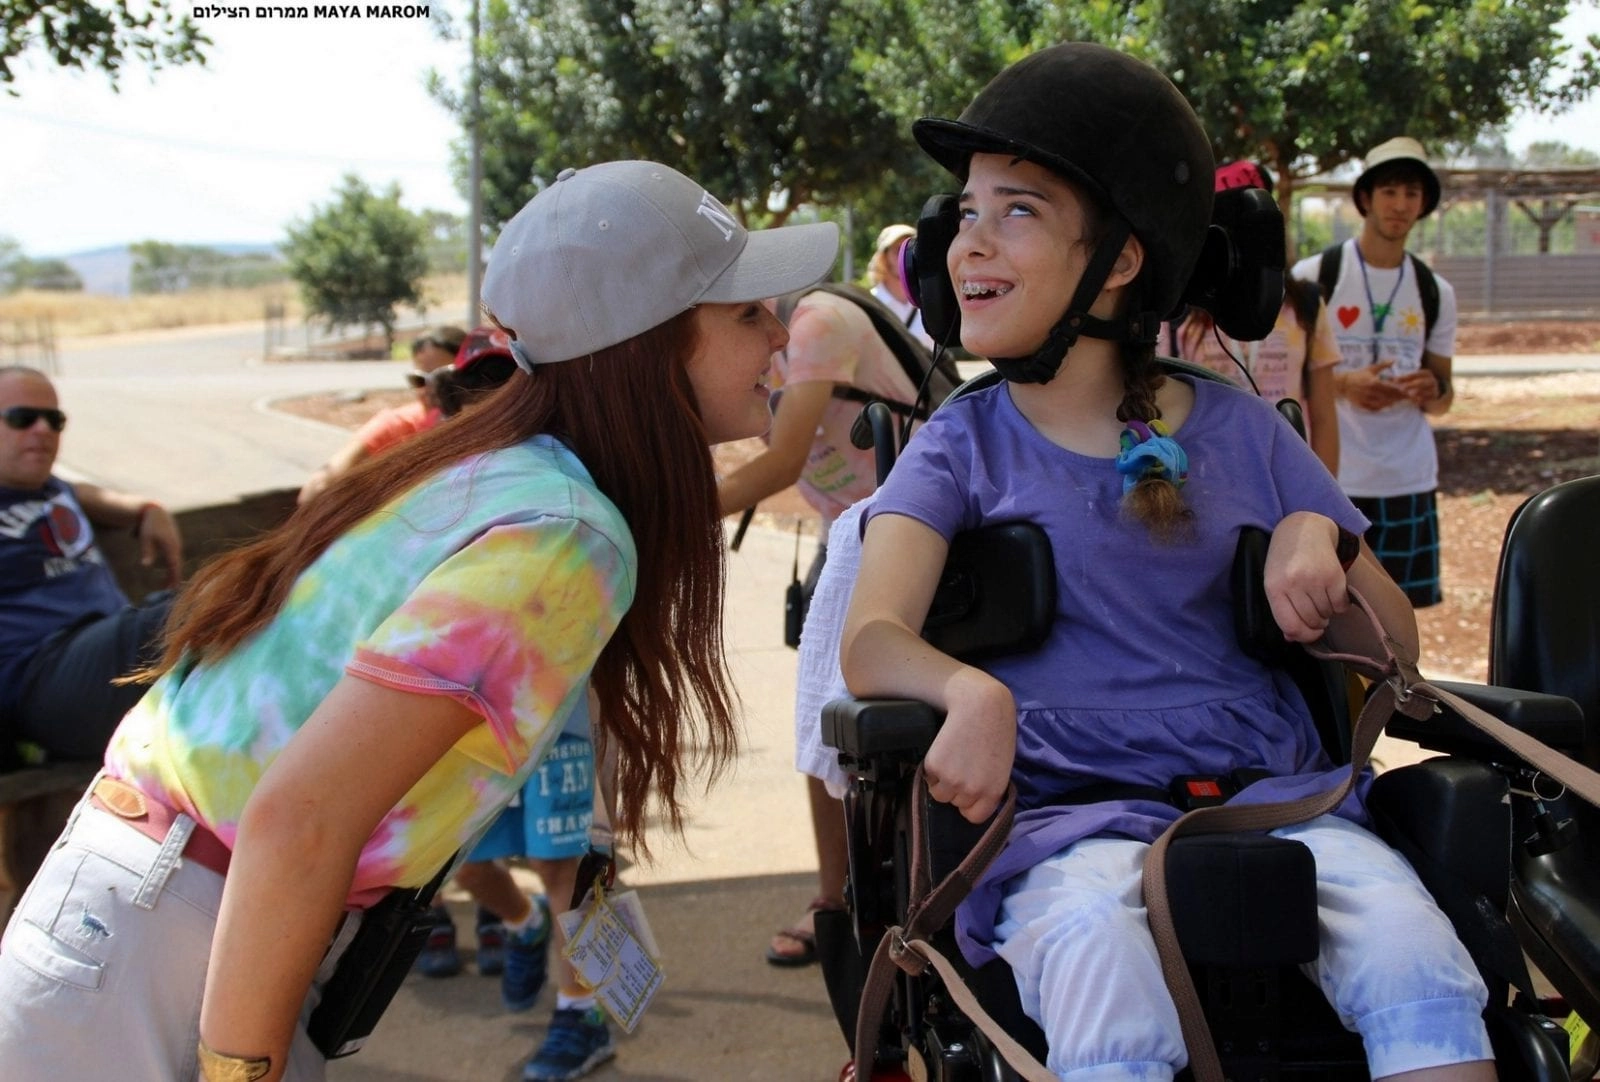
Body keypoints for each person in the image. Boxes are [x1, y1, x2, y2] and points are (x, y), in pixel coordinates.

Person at [0, 159, 839, 1082]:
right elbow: (301, 820)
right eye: (747, 312)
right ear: (648, 339)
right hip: (175, 935)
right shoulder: (566, 534)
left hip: (155, 910)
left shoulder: (502, 468)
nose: (779, 336)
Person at [838, 45, 1493, 1082]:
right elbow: (870, 637)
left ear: (1122, 257)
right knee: (1106, 985)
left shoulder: (1247, 433)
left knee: (1422, 967)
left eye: (1017, 212)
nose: (969, 243)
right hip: (1065, 830)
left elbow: (1395, 648)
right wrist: (959, 687)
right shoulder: (959, 446)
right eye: (964, 213)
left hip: (1281, 804)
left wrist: (1313, 537)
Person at [412, 326, 612, 1082]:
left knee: (573, 865)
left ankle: (581, 1015)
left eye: (512, 384)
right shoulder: (436, 485)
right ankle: (521, 926)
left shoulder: (572, 471)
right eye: (478, 388)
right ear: (453, 400)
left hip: (561, 709)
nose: (496, 403)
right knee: (462, 863)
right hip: (469, 715)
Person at [716, 284, 923, 967]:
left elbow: (778, 459)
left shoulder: (816, 324)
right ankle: (835, 898)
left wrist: (662, 512)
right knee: (823, 725)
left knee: (899, 723)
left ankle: (912, 894)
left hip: (914, 536)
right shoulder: (754, 342)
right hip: (848, 538)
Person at [1290, 137, 1457, 607]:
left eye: (1411, 193)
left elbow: (1445, 395)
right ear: (1365, 198)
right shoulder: (1315, 275)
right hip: (1333, 480)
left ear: (1423, 204)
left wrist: (1431, 387)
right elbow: (1280, 381)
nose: (1400, 205)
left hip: (1407, 478)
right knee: (1332, 618)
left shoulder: (1435, 290)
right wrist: (1344, 385)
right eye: (1389, 191)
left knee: (1401, 617)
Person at [0, 364, 184, 762]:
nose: (42, 430)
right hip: (42, 679)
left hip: (109, 654)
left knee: (214, 607)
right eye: (21, 418)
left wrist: (145, 508)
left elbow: (85, 493)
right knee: (216, 602)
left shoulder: (53, 488)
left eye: (54, 420)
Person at [1171, 161, 1341, 475]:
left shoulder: (1307, 304)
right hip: (1206, 477)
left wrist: (1328, 506)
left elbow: (1323, 414)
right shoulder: (1179, 310)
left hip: (1290, 475)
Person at [296, 325, 467, 505]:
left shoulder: (481, 425)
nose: (429, 389)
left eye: (443, 378)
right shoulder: (396, 426)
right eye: (419, 380)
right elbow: (317, 488)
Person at [867, 223, 935, 349]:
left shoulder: (929, 301)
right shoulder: (870, 304)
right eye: (899, 250)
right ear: (883, 257)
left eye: (912, 249)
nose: (905, 257)